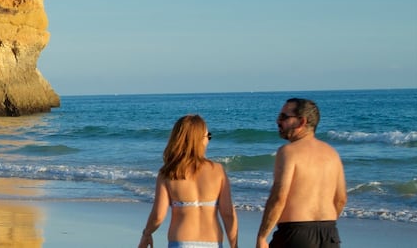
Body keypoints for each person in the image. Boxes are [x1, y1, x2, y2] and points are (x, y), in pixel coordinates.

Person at [256, 98, 346, 248]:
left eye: (284, 117)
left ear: (301, 122)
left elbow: (279, 197)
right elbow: (341, 199)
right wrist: (325, 224)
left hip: (296, 233)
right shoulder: (332, 154)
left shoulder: (288, 152)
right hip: (329, 233)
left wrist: (262, 236)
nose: (278, 121)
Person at [139, 114, 238, 248]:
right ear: (200, 140)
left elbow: (158, 215)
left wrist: (146, 234)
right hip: (213, 241)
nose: (208, 140)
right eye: (208, 136)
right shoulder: (217, 171)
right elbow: (228, 214)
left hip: (181, 241)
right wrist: (234, 245)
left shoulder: (168, 173)